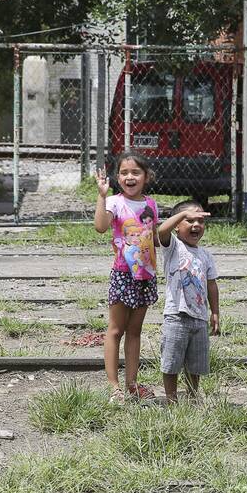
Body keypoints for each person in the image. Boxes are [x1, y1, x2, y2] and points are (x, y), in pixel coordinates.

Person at [93, 153, 159, 403]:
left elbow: (153, 239)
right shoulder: (113, 202)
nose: (129, 177)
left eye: (135, 172)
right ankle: (114, 387)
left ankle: (132, 384)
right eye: (124, 173)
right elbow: (100, 227)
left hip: (145, 275)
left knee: (135, 331)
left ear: (146, 176)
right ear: (117, 177)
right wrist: (101, 196)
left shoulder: (151, 205)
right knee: (115, 330)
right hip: (123, 275)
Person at [157, 200, 220, 403]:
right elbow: (161, 231)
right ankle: (171, 398)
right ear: (177, 225)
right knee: (171, 360)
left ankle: (193, 396)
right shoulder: (174, 246)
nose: (196, 225)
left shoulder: (205, 255)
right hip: (176, 315)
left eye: (200, 221)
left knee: (196, 363)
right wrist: (178, 216)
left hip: (199, 317)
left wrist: (215, 312)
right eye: (189, 220)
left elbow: (212, 285)